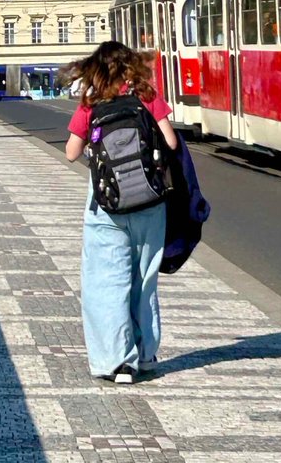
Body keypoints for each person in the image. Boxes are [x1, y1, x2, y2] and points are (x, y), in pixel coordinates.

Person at [64, 41, 178, 384]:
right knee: (144, 278)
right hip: (149, 203)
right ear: (131, 66)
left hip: (107, 206)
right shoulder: (146, 95)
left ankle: (117, 362)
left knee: (106, 281)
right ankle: (144, 353)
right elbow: (170, 143)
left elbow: (71, 152)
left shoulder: (92, 101)